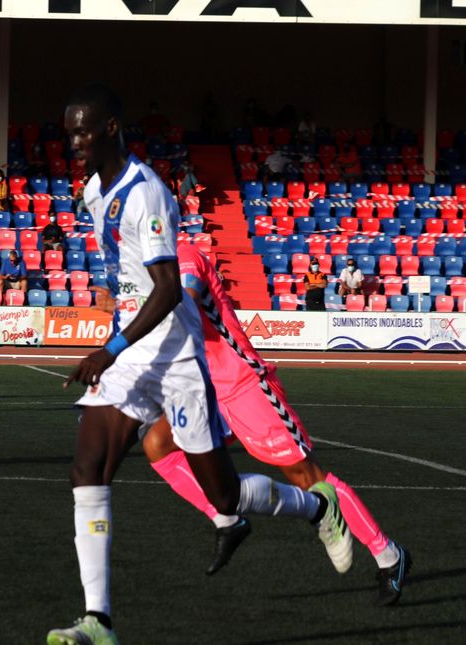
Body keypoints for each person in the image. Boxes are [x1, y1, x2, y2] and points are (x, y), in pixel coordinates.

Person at [48, 84, 350, 645]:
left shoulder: (147, 194)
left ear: (112, 127)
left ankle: (314, 509)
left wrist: (106, 348)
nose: (75, 142)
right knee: (87, 468)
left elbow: (166, 292)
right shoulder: (94, 189)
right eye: (70, 132)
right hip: (132, 350)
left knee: (226, 496)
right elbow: (131, 280)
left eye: (83, 131)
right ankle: (99, 620)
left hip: (176, 355)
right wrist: (117, 345)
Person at [139, 244, 411, 604]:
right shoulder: (143, 264)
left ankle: (388, 556)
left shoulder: (183, 253)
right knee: (157, 445)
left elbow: (184, 305)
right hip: (203, 389)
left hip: (241, 385)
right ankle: (227, 519)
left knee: (307, 477)